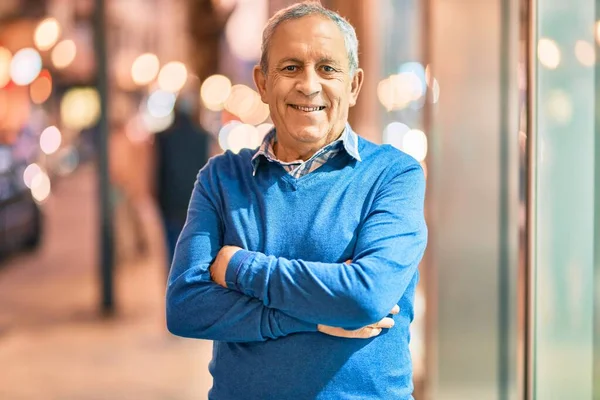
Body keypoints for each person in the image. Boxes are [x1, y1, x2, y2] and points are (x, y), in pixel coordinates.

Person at [166, 2, 428, 399]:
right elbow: (186, 306)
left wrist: (239, 266)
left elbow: (364, 296)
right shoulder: (221, 179)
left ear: (354, 85)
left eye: (328, 68)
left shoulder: (394, 176)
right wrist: (315, 318)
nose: (309, 84)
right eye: (290, 67)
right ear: (262, 82)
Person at [153, 105, 212, 268]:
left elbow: (157, 170)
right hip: (195, 202)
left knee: (172, 250)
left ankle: (175, 286)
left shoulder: (163, 137)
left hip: (169, 203)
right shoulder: (203, 137)